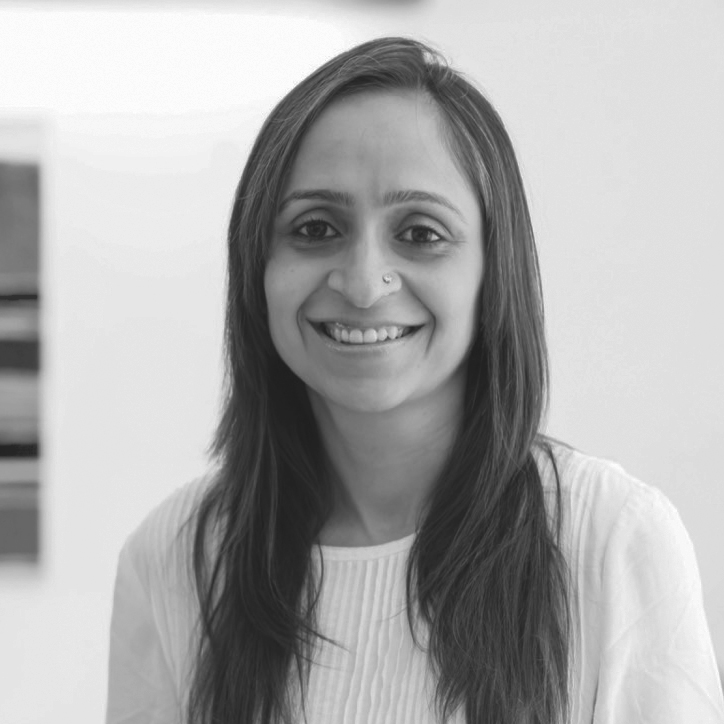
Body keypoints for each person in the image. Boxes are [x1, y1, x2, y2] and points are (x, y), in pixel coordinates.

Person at [105, 37, 724, 724]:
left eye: (421, 233)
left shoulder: (614, 542)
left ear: (493, 271)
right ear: (257, 267)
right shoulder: (173, 562)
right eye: (316, 228)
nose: (363, 284)